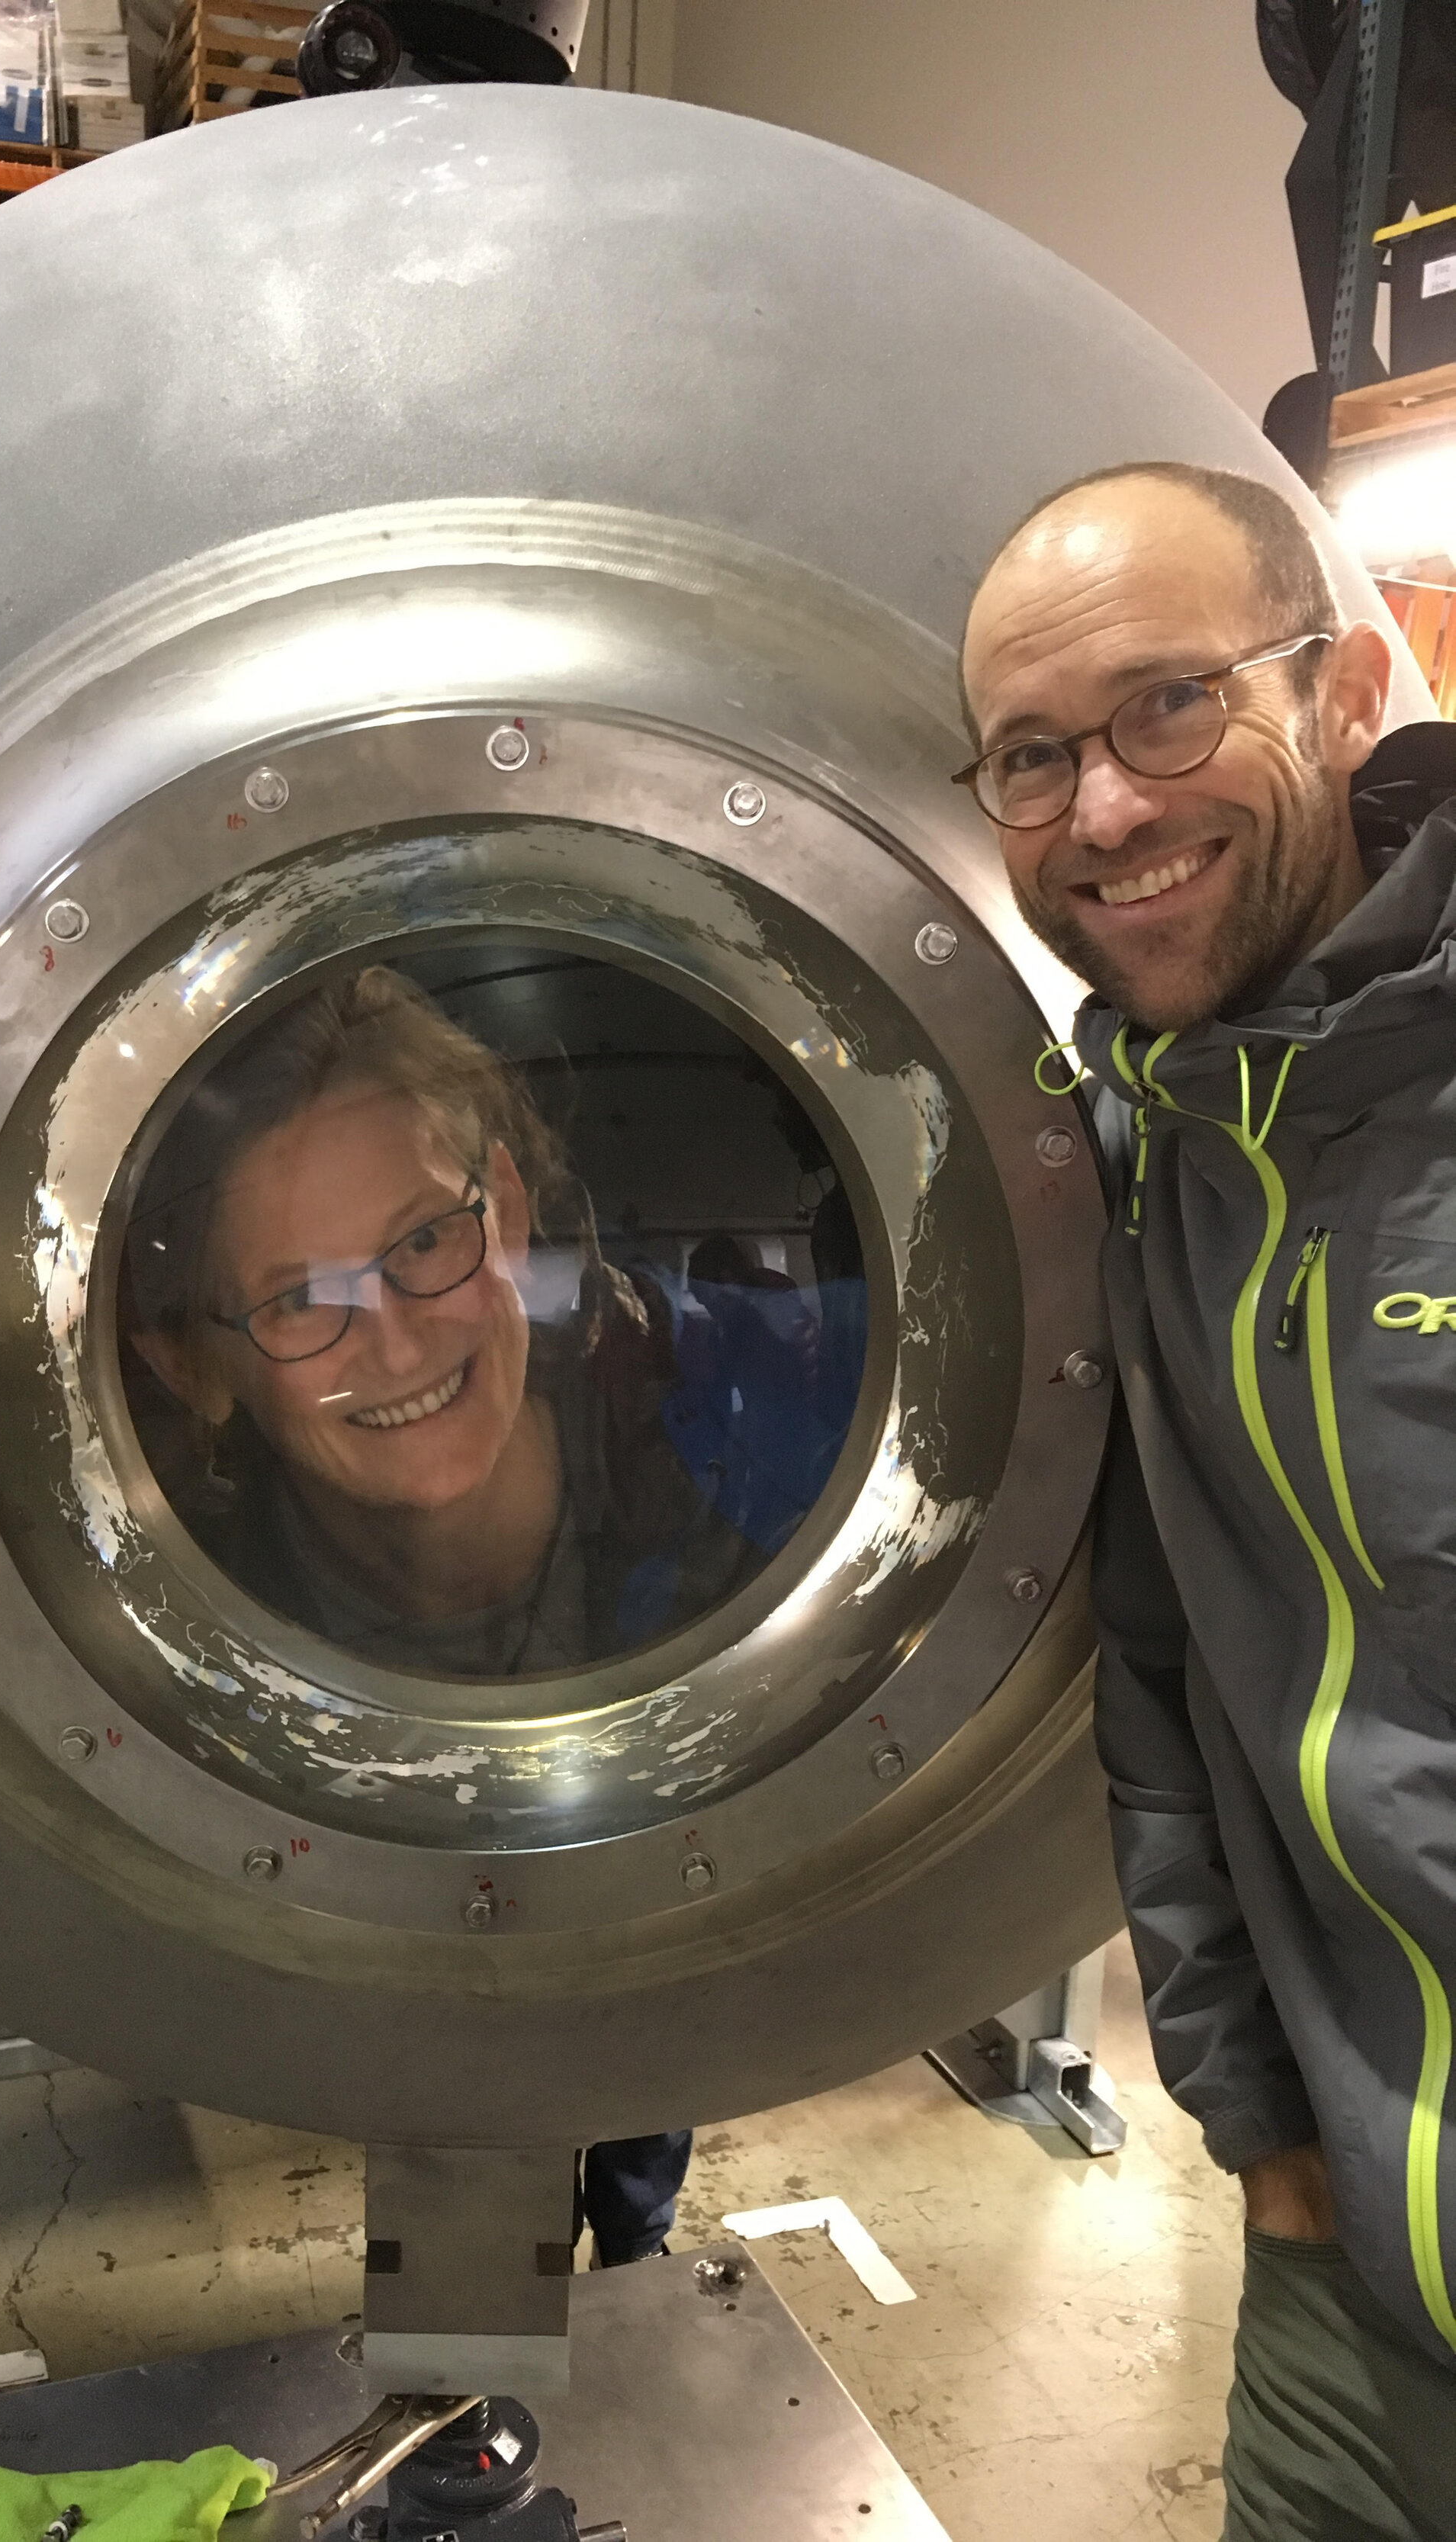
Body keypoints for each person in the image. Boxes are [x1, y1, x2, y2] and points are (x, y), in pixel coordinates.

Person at [959, 458, 1456, 2537]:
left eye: (1170, 707)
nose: (1102, 812)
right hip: (1352, 2277)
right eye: (1028, 755)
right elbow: (1162, 1683)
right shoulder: (1149, 1154)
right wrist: (1258, 2121)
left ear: (1343, 687)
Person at [122, 964, 860, 2262]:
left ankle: (636, 2241)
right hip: (407, 2025)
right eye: (300, 1299)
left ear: (507, 1207)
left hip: (657, 1955)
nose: (397, 1342)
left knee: (644, 2045)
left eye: (421, 1242)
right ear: (201, 1363)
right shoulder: (187, 1645)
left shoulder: (740, 1472)